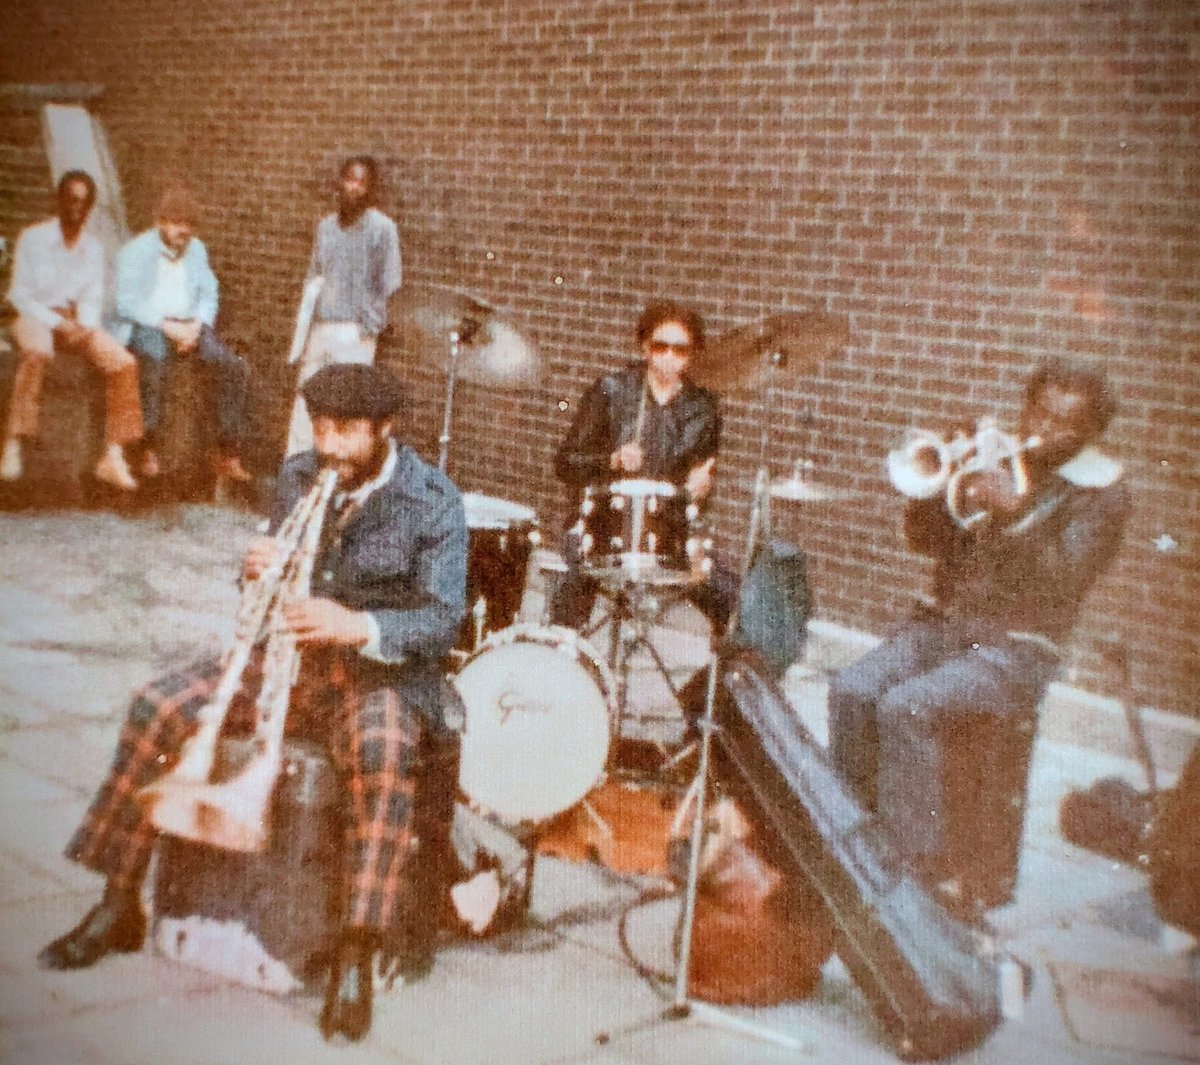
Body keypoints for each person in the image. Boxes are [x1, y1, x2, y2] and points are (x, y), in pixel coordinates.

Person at [39, 363, 468, 1043]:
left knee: (384, 753)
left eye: (347, 431)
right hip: (287, 664)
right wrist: (254, 573)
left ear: (385, 430)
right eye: (320, 426)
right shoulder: (299, 474)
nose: (329, 445)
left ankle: (356, 949)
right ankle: (117, 899)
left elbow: (445, 620)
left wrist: (359, 625)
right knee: (159, 705)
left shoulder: (434, 498)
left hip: (372, 674)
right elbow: (266, 596)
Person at [827, 357, 1129, 913]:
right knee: (851, 688)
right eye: (1039, 411)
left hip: (1018, 648)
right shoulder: (997, 458)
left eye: (1068, 423)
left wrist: (1015, 515)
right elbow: (925, 541)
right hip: (944, 625)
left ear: (1092, 431)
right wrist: (943, 495)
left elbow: (1066, 580)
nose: (1047, 428)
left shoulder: (1102, 494)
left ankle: (916, 876)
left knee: (908, 706)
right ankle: (848, 837)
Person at [549, 299, 733, 631]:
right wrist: (612, 460)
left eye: (681, 350)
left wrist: (701, 490)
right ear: (644, 347)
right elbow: (565, 464)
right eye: (660, 346)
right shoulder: (612, 391)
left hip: (667, 534)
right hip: (601, 527)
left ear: (693, 355)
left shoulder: (704, 409)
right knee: (575, 591)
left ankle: (714, 680)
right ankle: (564, 661)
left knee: (730, 598)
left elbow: (699, 493)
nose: (669, 357)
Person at [2, 170, 143, 489]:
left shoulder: (93, 249)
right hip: (35, 315)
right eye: (71, 200)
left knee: (124, 363)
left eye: (83, 203)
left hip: (76, 322)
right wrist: (57, 322)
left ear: (89, 208)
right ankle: (13, 445)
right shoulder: (33, 238)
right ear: (59, 200)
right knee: (37, 352)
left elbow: (91, 298)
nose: (75, 209)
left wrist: (85, 326)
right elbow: (19, 295)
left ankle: (113, 455)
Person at [114, 187, 253, 482]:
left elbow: (209, 293)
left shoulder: (197, 250)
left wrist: (198, 325)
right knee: (153, 361)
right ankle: (145, 447)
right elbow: (127, 303)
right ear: (160, 222)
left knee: (233, 366)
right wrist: (167, 327)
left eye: (190, 224)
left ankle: (226, 451)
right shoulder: (136, 251)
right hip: (150, 323)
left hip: (189, 325)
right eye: (177, 223)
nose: (184, 231)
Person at [285, 156, 403, 456]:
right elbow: (314, 273)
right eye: (349, 179)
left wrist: (368, 327)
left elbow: (390, 282)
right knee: (305, 406)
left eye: (361, 182)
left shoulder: (382, 229)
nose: (354, 187)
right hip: (321, 329)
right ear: (339, 183)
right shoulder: (325, 227)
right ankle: (295, 473)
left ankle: (334, 483)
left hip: (355, 334)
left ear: (370, 189)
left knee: (345, 413)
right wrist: (307, 326)